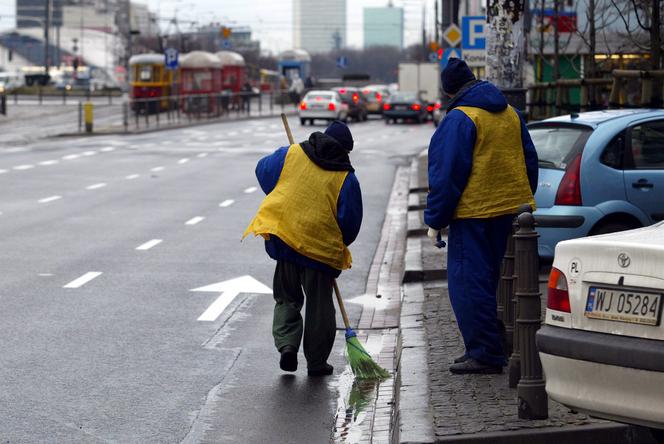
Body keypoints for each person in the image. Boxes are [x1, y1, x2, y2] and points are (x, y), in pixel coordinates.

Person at [424, 58, 538, 375]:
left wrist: (435, 219)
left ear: (449, 91)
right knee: (488, 281)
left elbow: (446, 175)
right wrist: (523, 197)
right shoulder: (510, 114)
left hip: (472, 211)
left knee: (467, 284)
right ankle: (484, 346)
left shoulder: (460, 119)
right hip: (508, 210)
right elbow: (529, 159)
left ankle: (486, 353)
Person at [244, 120, 363, 376]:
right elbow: (351, 223)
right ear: (345, 149)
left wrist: (281, 189)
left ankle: (287, 345)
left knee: (287, 297)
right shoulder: (345, 178)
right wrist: (337, 242)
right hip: (319, 253)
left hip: (285, 239)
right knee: (320, 308)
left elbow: (262, 171)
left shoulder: (292, 153)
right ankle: (317, 362)